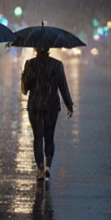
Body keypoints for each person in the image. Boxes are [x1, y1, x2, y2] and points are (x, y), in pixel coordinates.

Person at [20, 46, 74, 181]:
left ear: (35, 48)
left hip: (35, 106)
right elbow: (63, 86)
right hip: (51, 105)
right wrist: (69, 104)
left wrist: (24, 78)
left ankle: (39, 167)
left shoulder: (30, 64)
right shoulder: (57, 65)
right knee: (49, 136)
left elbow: (24, 89)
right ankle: (48, 166)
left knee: (38, 137)